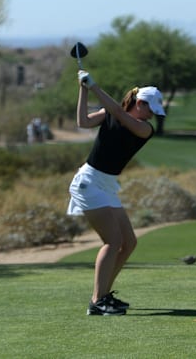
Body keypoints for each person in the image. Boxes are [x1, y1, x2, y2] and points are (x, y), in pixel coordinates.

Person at [67, 69, 165, 316]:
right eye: (150, 108)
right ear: (139, 102)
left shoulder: (143, 128)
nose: (152, 114)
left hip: (107, 185)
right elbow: (83, 122)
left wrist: (95, 86)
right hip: (89, 182)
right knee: (113, 241)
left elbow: (120, 114)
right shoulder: (112, 113)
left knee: (128, 242)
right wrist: (83, 89)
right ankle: (97, 302)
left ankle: (103, 296)